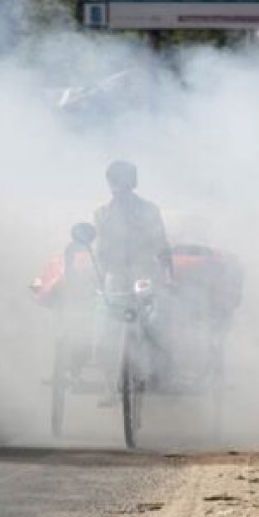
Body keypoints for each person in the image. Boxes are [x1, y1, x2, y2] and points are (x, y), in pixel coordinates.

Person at [91, 160, 172, 406]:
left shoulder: (149, 211)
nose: (120, 186)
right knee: (104, 329)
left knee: (154, 320)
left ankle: (157, 371)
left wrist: (167, 274)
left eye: (125, 179)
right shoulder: (102, 213)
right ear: (110, 183)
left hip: (143, 274)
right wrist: (99, 279)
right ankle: (109, 385)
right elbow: (101, 249)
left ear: (133, 182)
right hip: (115, 276)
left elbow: (161, 244)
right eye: (115, 180)